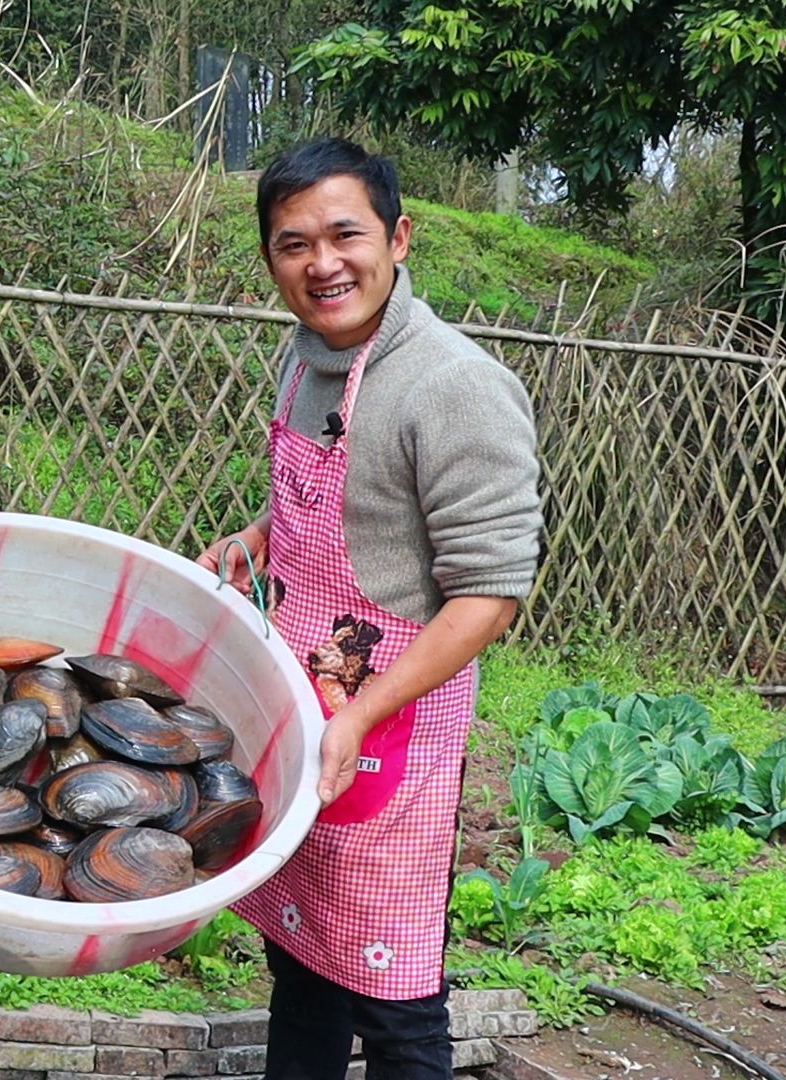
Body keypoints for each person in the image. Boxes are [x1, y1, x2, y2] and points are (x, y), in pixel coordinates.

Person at [196, 137, 542, 1079]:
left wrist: (358, 714)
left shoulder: (456, 386)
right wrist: (260, 537)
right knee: (300, 959)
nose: (322, 263)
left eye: (345, 234)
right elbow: (341, 495)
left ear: (399, 238)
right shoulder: (307, 358)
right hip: (300, 704)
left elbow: (490, 593)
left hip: (390, 731)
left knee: (393, 995)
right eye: (292, 243)